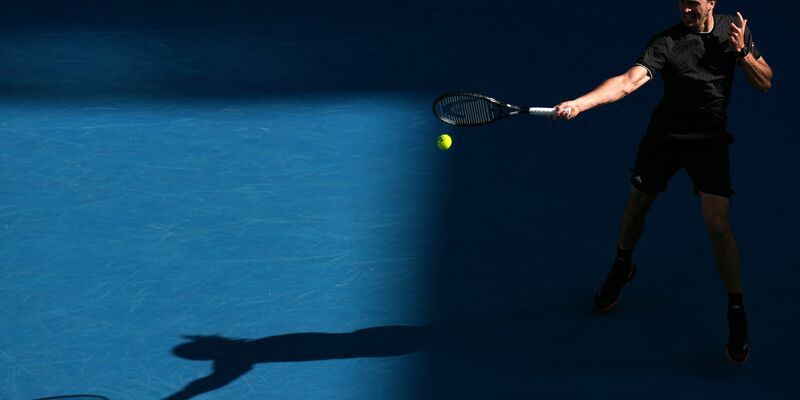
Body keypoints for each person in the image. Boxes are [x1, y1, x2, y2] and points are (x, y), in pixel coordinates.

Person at [552, 0, 773, 364]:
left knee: (718, 224)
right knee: (638, 201)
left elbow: (765, 82)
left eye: (693, 3)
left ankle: (736, 309)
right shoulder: (666, 42)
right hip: (665, 139)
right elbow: (628, 82)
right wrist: (580, 104)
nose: (685, 9)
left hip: (709, 142)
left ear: (711, 3)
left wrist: (742, 53)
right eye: (681, 2)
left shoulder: (734, 32)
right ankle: (622, 265)